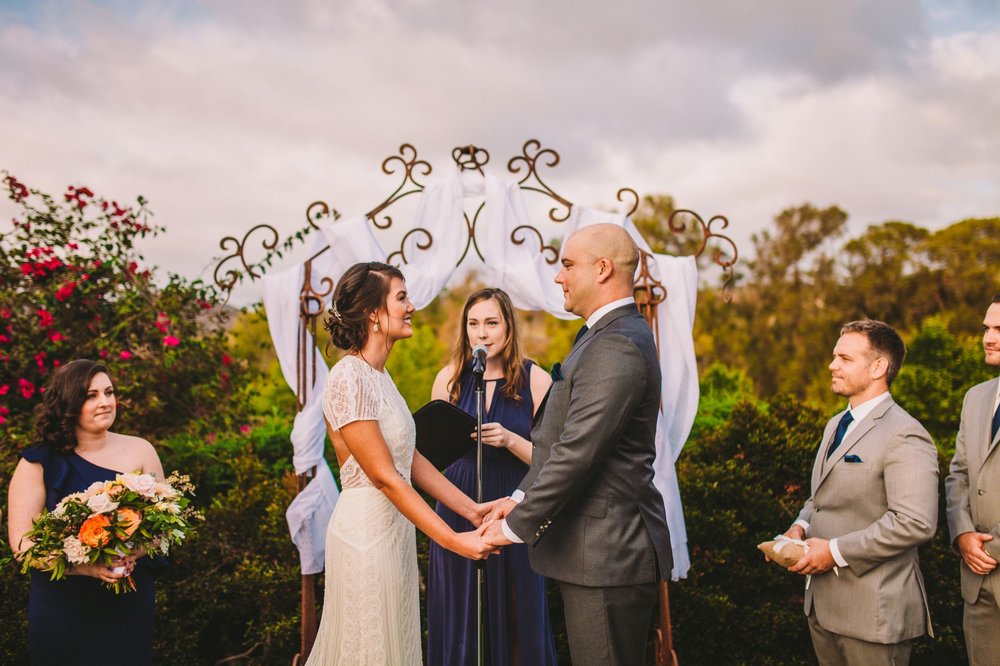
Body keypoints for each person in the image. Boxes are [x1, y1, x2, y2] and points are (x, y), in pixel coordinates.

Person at [482, 223, 672, 666]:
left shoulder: (618, 344)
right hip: (593, 553)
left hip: (608, 555)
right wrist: (518, 496)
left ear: (602, 268)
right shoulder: (601, 335)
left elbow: (578, 452)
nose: (558, 276)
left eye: (567, 264)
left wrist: (513, 527)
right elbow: (560, 441)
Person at [306, 261, 497, 665]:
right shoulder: (348, 377)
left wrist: (472, 511)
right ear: (374, 313)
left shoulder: (381, 377)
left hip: (394, 531)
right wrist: (453, 541)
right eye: (401, 297)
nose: (411, 305)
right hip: (365, 533)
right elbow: (385, 477)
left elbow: (410, 460)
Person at [784, 320, 938, 665]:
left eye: (845, 358)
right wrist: (800, 527)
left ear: (878, 367)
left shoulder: (906, 434)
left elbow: (915, 522)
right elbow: (820, 498)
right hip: (822, 609)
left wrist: (835, 551)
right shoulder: (835, 424)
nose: (832, 365)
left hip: (874, 615)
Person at [426, 287, 557, 666]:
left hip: (515, 504)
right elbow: (430, 456)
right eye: (473, 324)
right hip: (459, 504)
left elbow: (555, 461)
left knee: (520, 611)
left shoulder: (536, 381)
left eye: (491, 323)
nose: (482, 333)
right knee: (464, 612)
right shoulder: (449, 379)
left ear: (508, 328)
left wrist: (512, 440)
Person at [7, 359, 164, 665]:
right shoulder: (37, 463)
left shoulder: (141, 450)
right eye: (91, 395)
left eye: (108, 392)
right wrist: (85, 567)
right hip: (63, 606)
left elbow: (161, 527)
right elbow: (23, 546)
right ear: (69, 403)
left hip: (128, 601)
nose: (105, 402)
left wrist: (134, 554)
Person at [946, 294, 1000, 665]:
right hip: (977, 587)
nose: (988, 337)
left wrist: (990, 550)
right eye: (986, 328)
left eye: (999, 329)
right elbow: (959, 475)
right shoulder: (975, 398)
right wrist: (962, 535)